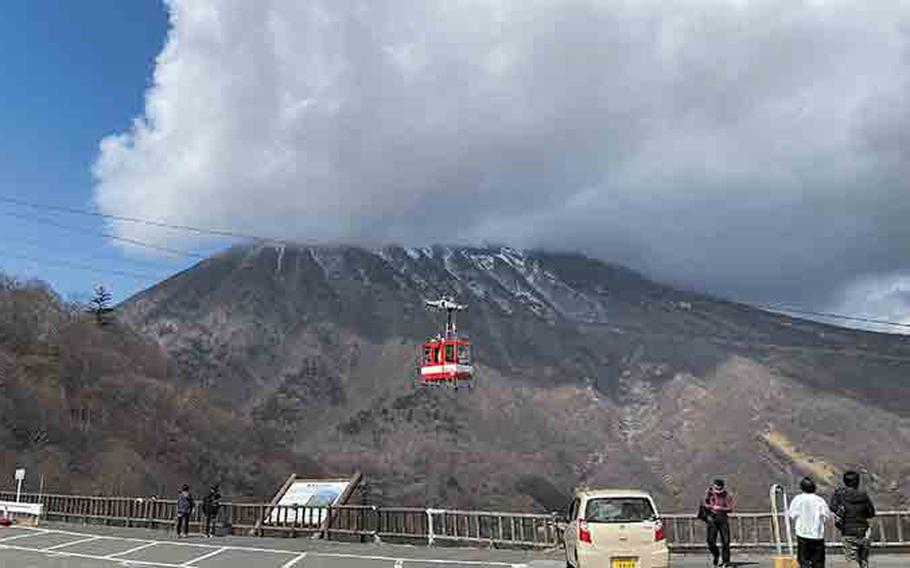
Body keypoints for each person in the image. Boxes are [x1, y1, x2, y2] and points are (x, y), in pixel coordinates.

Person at [830, 471, 876, 568]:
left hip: (847, 531)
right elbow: (871, 513)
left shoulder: (840, 494)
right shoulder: (863, 495)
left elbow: (832, 507)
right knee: (863, 560)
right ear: (858, 482)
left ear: (844, 481)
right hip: (863, 531)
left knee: (852, 560)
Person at [788, 477, 830, 568]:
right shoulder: (820, 500)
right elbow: (827, 515)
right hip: (817, 535)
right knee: (818, 562)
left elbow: (792, 515)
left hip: (802, 534)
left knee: (803, 561)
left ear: (801, 488)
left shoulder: (797, 499)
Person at [704, 479, 734, 567]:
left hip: (723, 518)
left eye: (719, 489)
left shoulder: (727, 495)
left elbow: (730, 508)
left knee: (726, 541)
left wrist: (719, 508)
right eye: (715, 488)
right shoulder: (710, 494)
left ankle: (726, 561)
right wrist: (711, 506)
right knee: (710, 541)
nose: (717, 491)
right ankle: (716, 554)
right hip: (712, 518)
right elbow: (705, 504)